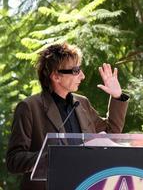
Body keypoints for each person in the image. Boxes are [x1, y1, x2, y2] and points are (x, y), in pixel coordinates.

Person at [6, 43, 129, 190]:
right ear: (56, 76)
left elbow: (111, 133)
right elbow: (14, 161)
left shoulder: (82, 103)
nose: (82, 76)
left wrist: (117, 96)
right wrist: (57, 157)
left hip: (84, 185)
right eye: (76, 71)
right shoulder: (29, 107)